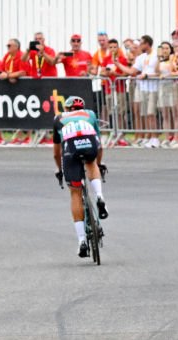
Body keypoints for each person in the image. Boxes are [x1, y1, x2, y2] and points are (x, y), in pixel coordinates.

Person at [53, 95, 108, 258]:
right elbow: (99, 145)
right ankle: (99, 195)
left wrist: (59, 170)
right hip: (89, 145)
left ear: (68, 109)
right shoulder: (90, 114)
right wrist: (100, 163)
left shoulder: (59, 118)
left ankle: (82, 240)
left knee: (75, 193)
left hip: (70, 151)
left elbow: (57, 153)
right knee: (92, 164)